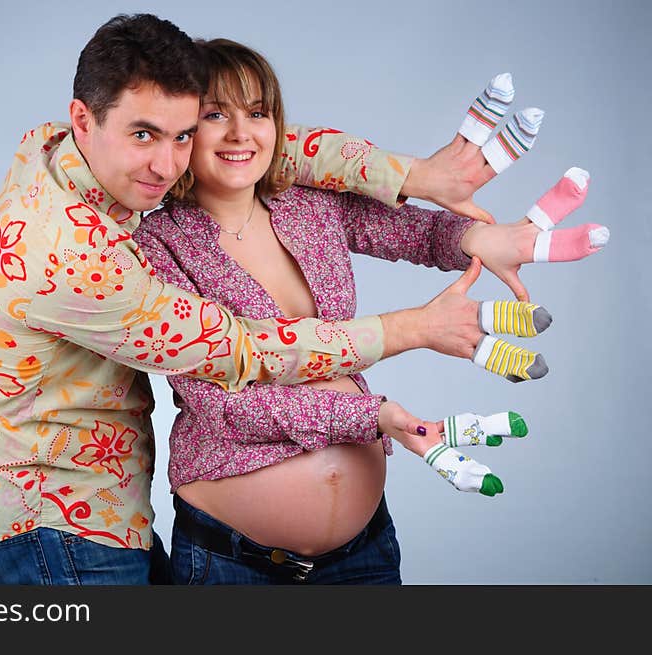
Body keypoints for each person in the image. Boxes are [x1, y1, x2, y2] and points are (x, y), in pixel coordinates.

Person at [0, 14, 527, 586]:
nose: (165, 163)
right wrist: (408, 349)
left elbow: (288, 152)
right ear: (83, 121)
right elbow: (235, 358)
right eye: (147, 134)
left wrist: (461, 219)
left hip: (126, 511)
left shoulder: (71, 155)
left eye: (179, 134)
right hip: (59, 519)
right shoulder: (93, 252)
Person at [132, 38, 605, 584]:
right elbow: (227, 408)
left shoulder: (309, 203)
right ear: (184, 129)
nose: (241, 133)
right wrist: (373, 417)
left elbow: (416, 233)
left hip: (365, 553)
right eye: (216, 115)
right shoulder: (155, 246)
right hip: (233, 563)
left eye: (258, 113)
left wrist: (480, 238)